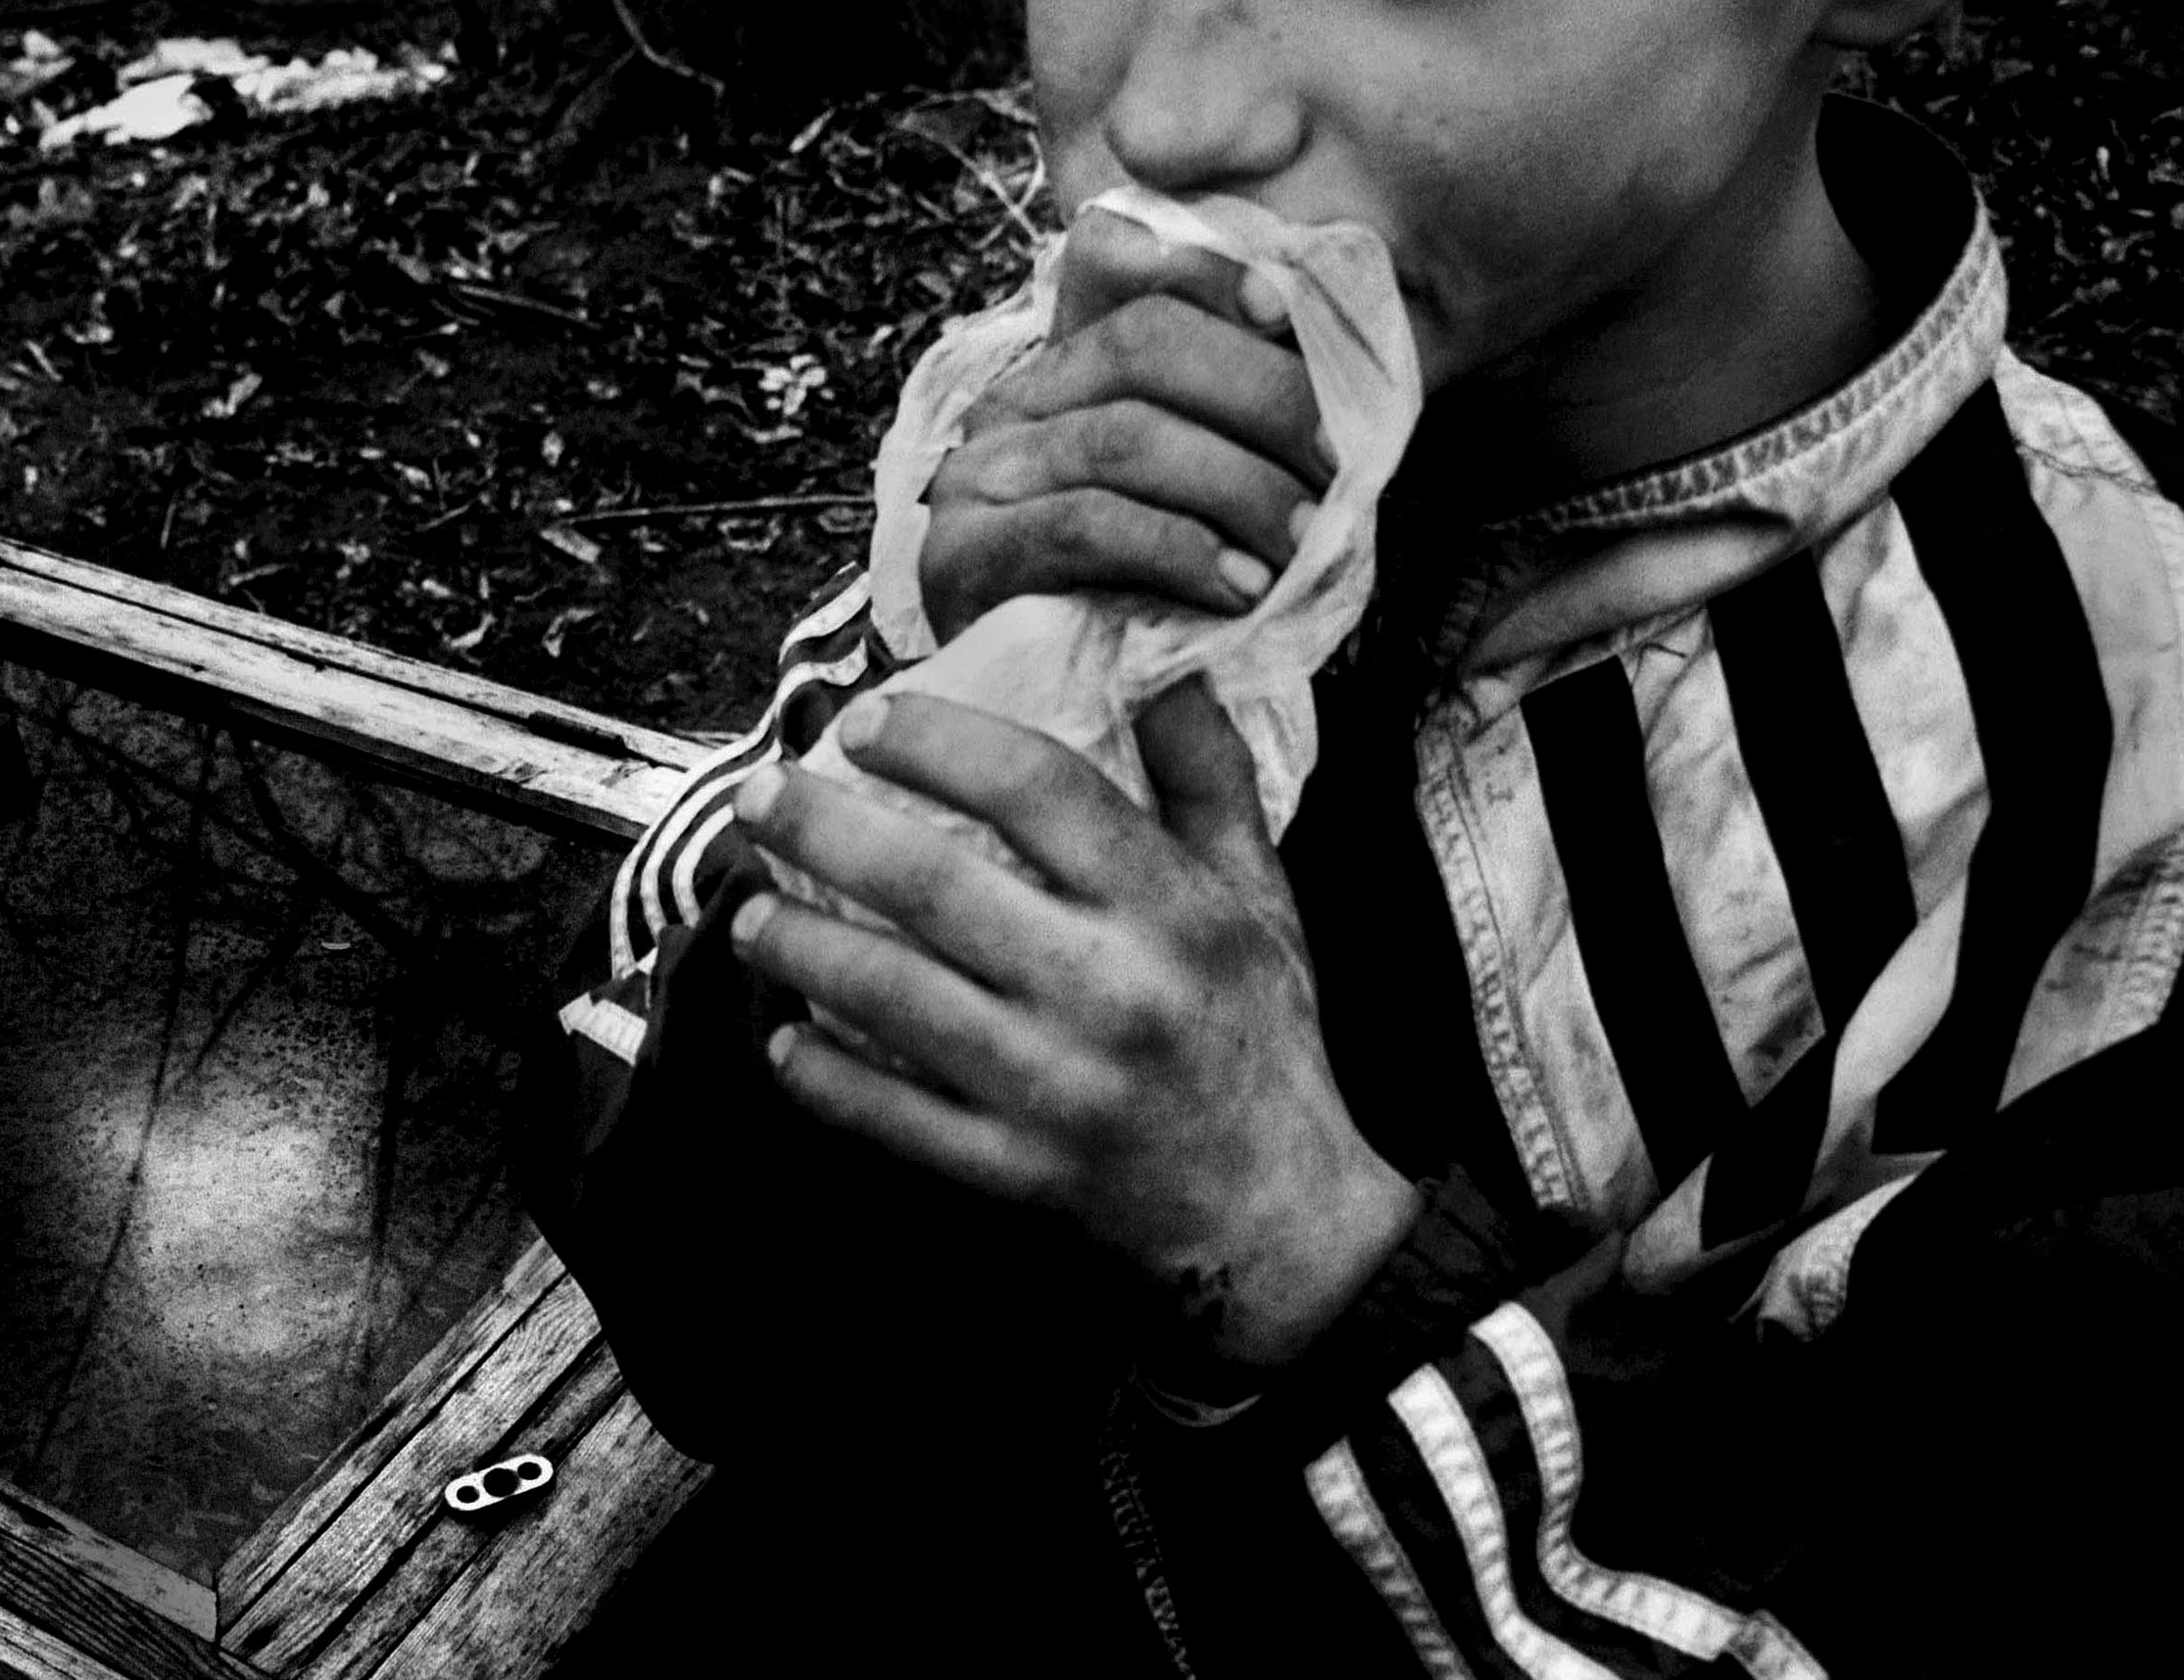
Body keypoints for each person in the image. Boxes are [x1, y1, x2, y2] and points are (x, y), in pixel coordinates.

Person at [530, 0, 2184, 1672]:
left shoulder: (2125, 819)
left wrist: (1304, 1270)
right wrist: (941, 775)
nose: (1174, 117)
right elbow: (716, 1330)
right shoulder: (1095, 424)